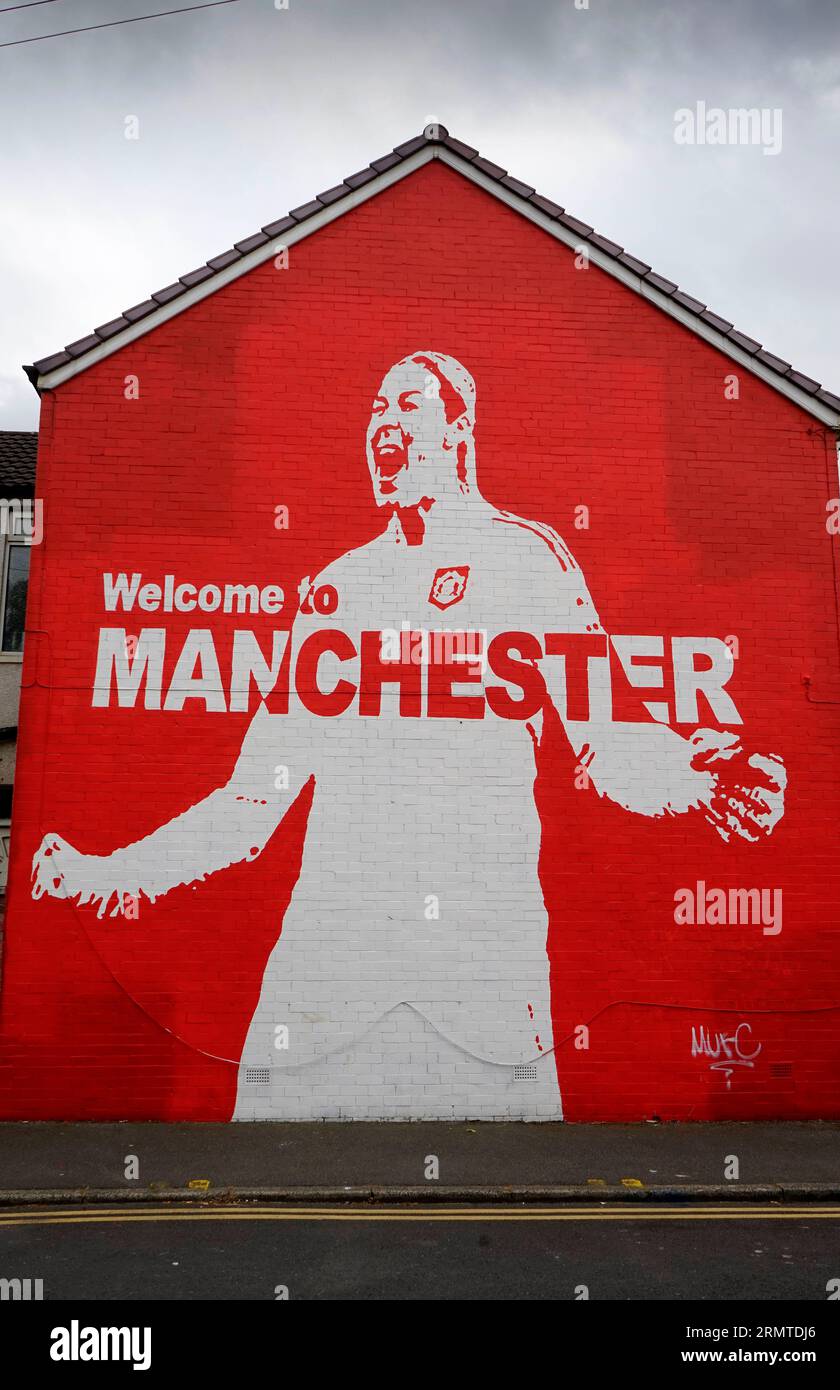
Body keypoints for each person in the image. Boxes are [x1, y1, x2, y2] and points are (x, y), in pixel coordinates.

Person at [32, 351, 786, 1120]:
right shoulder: (336, 591)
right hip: (325, 965)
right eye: (374, 412)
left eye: (406, 408)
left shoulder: (528, 559)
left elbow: (613, 739)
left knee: (503, 1190)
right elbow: (253, 800)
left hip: (485, 974)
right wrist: (117, 874)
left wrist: (701, 778)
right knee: (272, 1169)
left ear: (461, 431)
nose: (383, 425)